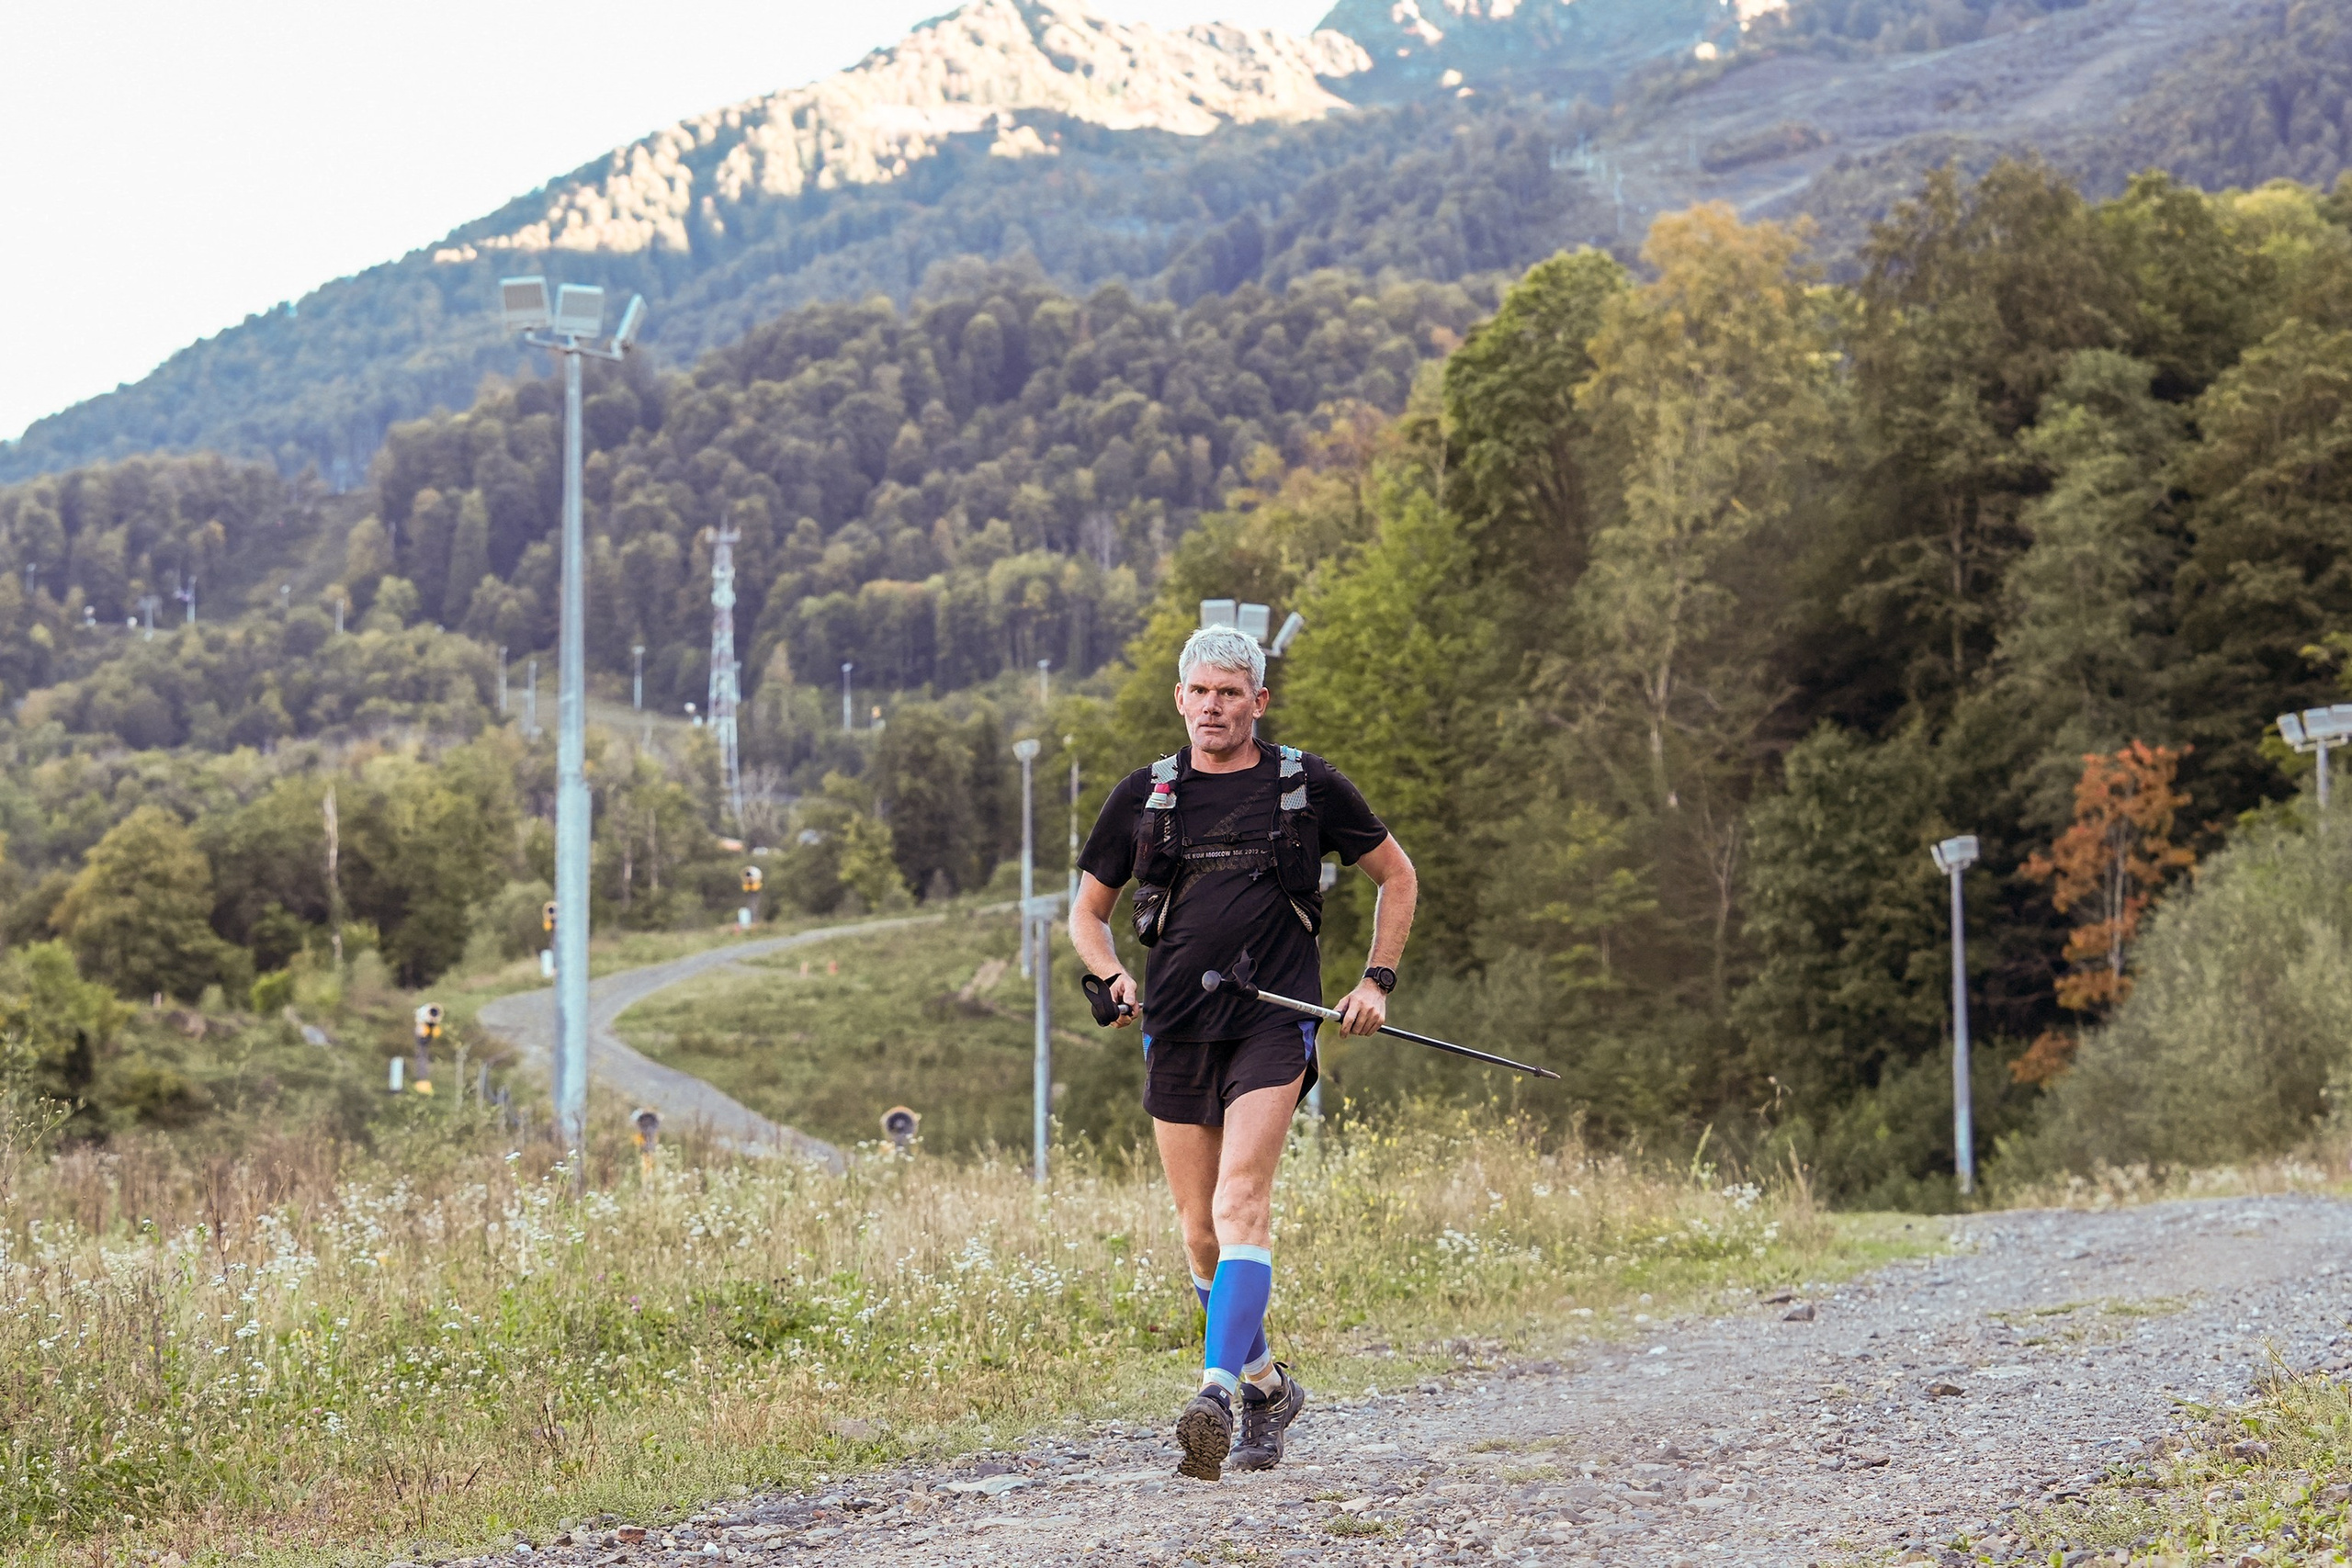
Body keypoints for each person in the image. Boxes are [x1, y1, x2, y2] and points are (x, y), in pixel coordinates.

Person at [1069, 625, 1419, 1482]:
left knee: (1241, 1202)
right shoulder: (1144, 795)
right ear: (1180, 698)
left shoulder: (1308, 783)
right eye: (1202, 691)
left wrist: (1375, 981)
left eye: (1232, 692)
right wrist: (1112, 976)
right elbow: (1088, 914)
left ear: (1258, 701)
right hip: (1176, 1025)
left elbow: (1398, 876)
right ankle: (1266, 1385)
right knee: (1198, 1238)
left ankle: (1216, 1392)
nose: (1215, 706)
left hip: (1274, 1024)